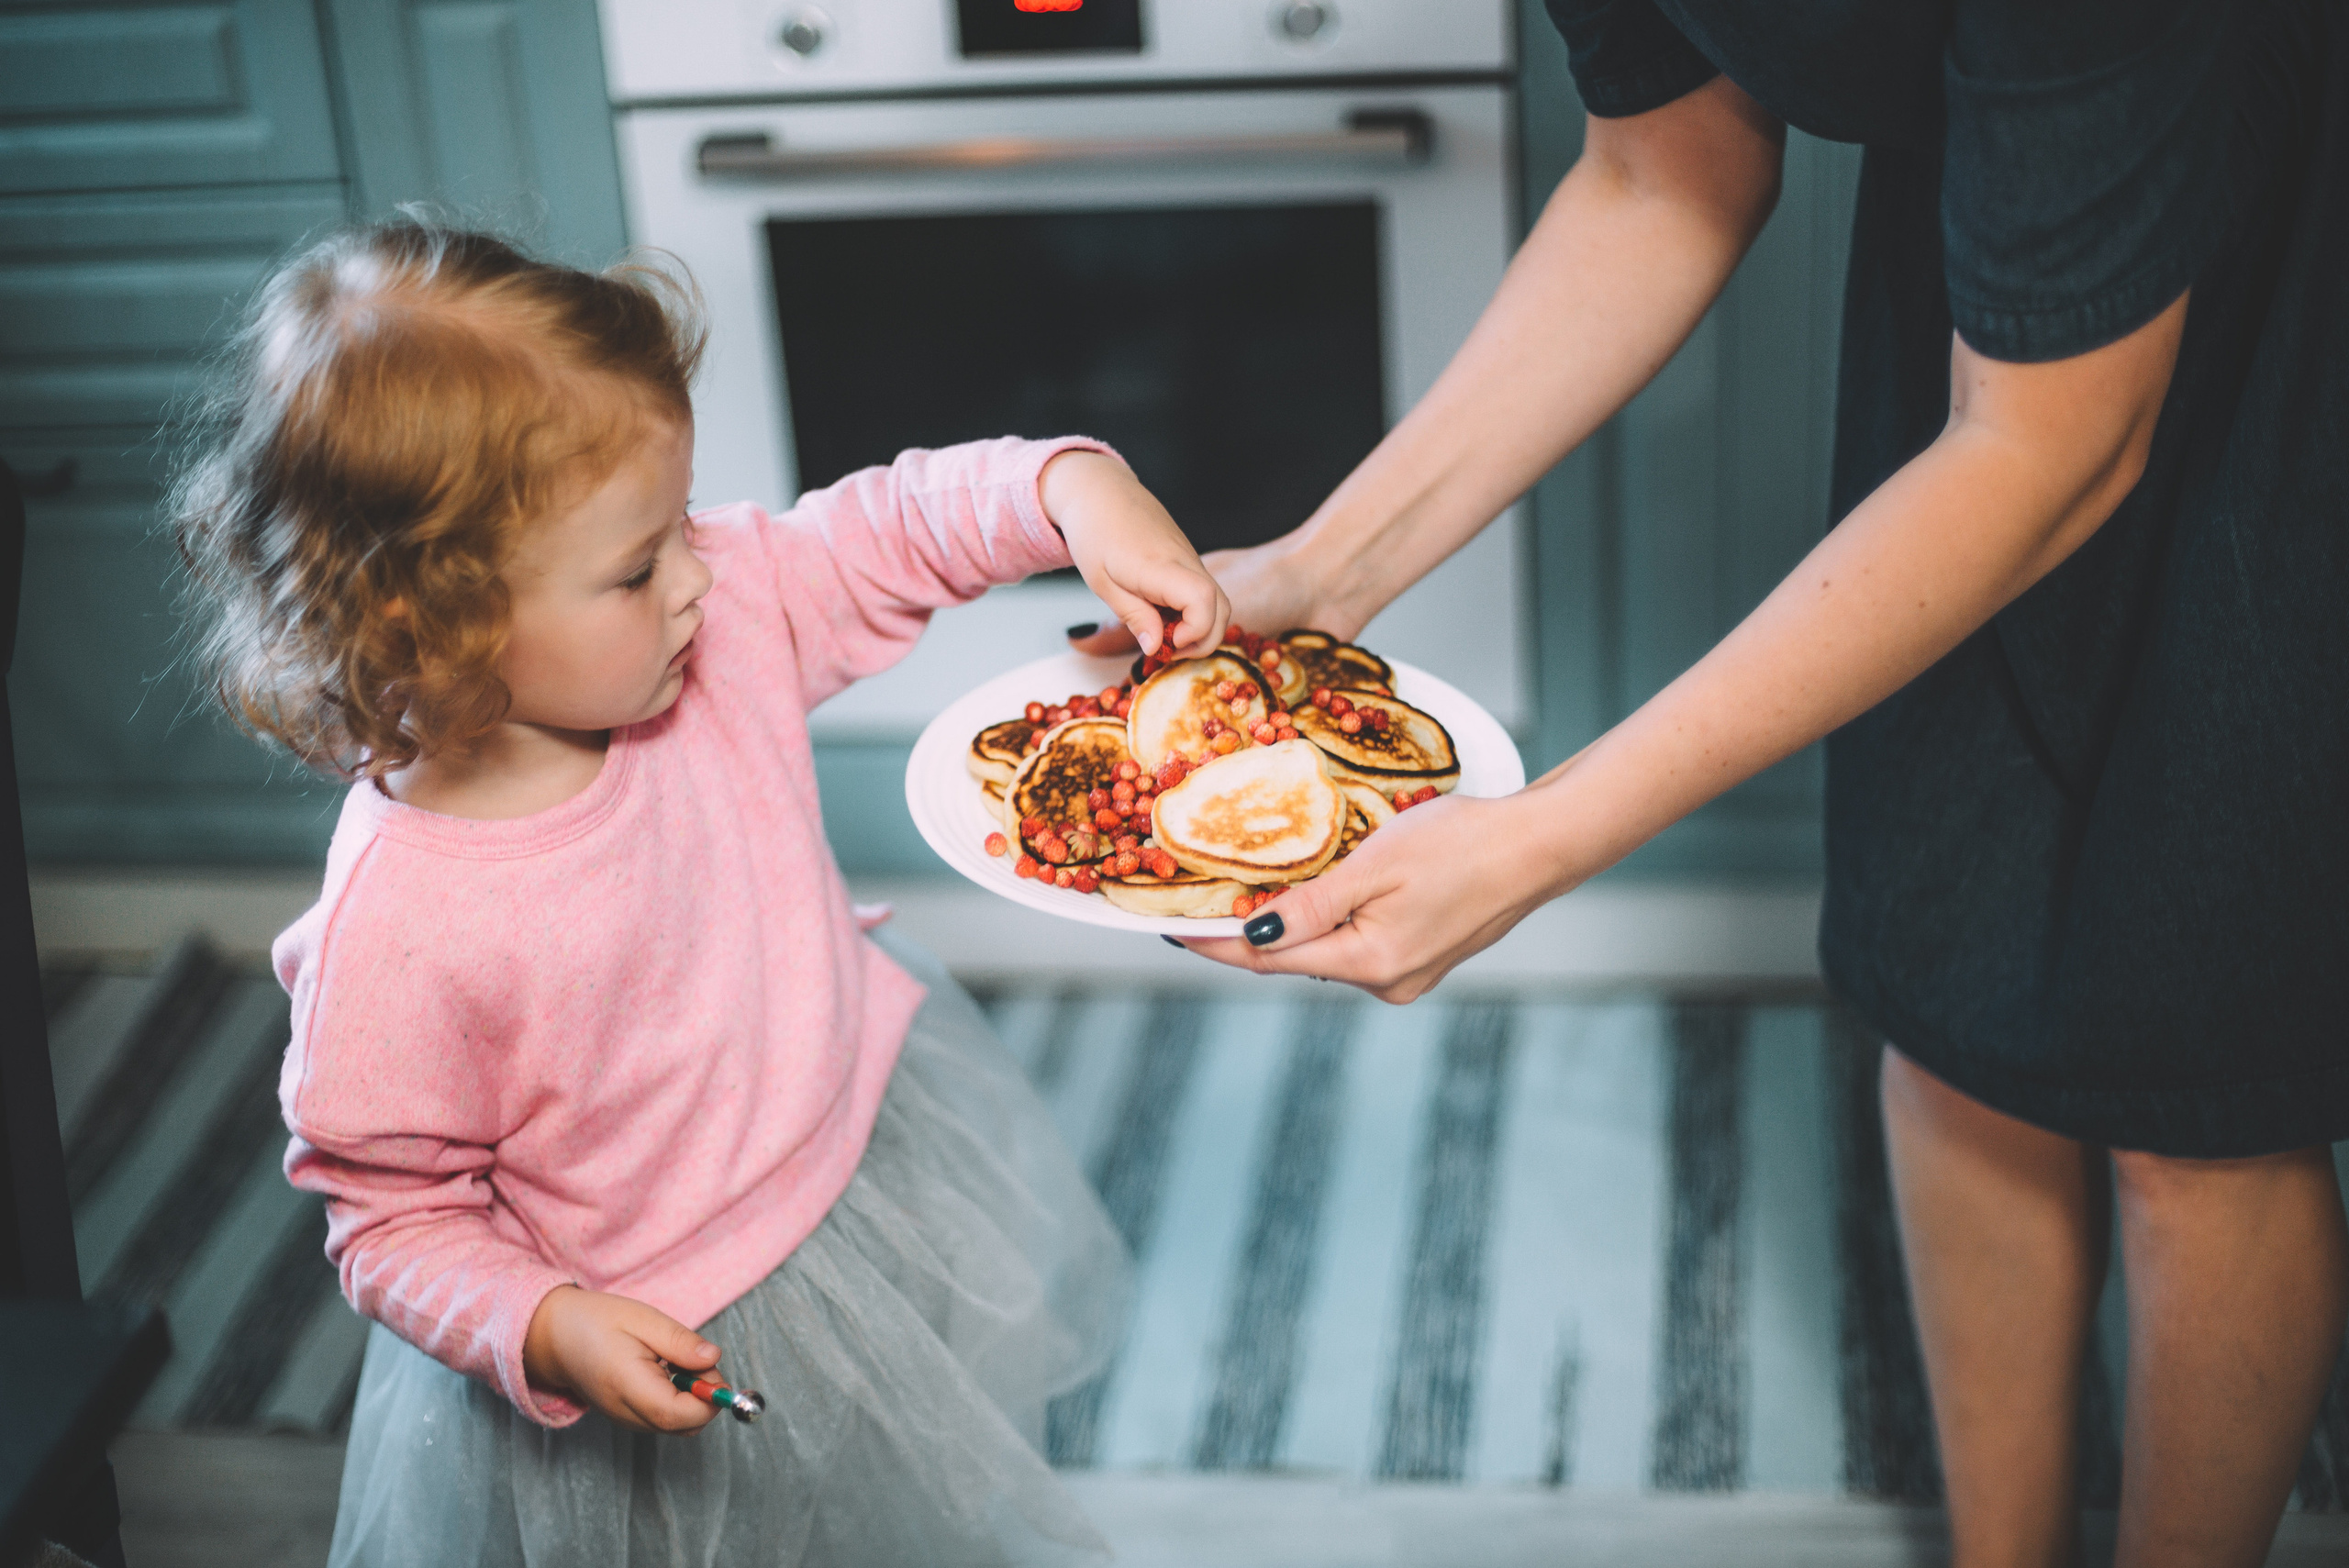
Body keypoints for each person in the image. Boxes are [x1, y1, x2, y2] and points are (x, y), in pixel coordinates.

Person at [1089, 2, 2349, 1562]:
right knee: (1945, 990)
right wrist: (1321, 570)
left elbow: (2056, 452)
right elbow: (1662, 175)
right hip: (1998, 290)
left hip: (2288, 309)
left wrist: (1539, 843)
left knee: (2195, 1102)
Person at [173, 220, 1230, 1566]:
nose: (699, 579)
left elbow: (886, 531)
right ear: (426, 627)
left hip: (849, 1163)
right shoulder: (400, 927)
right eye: (634, 566)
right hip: (665, 1310)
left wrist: (1070, 489)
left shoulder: (716, 615)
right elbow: (391, 1217)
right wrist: (544, 1321)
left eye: (678, 523)